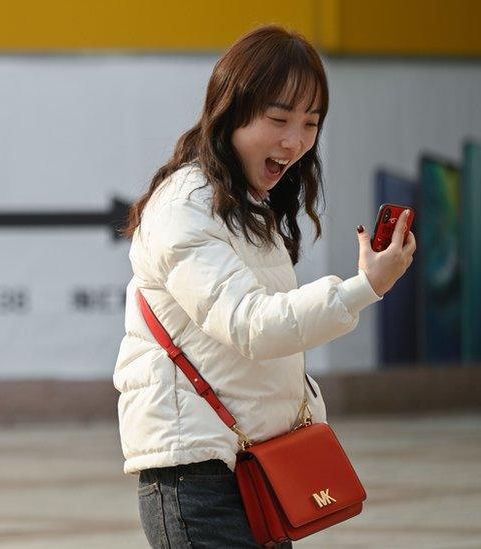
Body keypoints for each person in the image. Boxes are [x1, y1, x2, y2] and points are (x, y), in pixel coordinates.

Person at [113, 25, 416, 548]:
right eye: (278, 119)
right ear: (230, 111)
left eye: (310, 123)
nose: (294, 140)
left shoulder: (245, 205)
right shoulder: (186, 205)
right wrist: (363, 288)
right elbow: (253, 326)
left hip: (252, 464)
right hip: (197, 477)